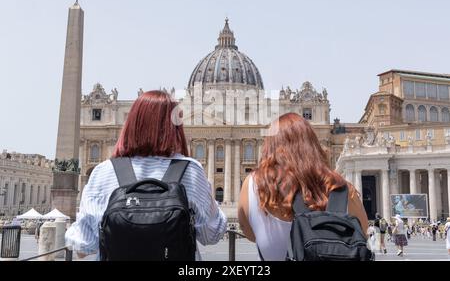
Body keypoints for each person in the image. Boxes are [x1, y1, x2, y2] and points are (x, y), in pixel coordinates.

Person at [65, 90, 227, 260]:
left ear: (131, 123)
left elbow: (83, 246)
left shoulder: (103, 172)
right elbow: (212, 234)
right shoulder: (191, 170)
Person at [237, 113, 369, 261]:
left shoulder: (252, 185)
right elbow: (362, 235)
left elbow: (250, 234)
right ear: (313, 145)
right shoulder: (343, 190)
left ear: (270, 147)